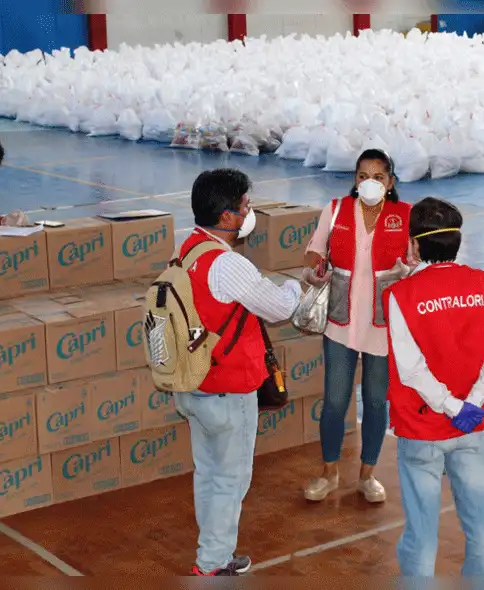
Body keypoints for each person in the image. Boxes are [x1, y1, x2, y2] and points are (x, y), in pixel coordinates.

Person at [175, 168, 303, 577]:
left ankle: (210, 550)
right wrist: (298, 287)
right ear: (229, 217)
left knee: (209, 473)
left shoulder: (189, 249)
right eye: (246, 205)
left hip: (195, 384)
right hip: (229, 391)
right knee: (231, 480)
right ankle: (211, 563)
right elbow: (279, 308)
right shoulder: (228, 265)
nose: (250, 212)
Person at [383, 197, 484, 576]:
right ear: (457, 241)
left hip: (423, 427)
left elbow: (411, 370)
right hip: (472, 425)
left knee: (422, 532)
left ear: (414, 245)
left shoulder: (401, 296)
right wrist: (471, 404)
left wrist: (450, 406)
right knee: (481, 527)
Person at [300, 149, 411, 504]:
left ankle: (368, 474)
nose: (370, 183)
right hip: (340, 323)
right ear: (354, 179)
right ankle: (329, 472)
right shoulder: (334, 211)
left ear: (391, 182)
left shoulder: (405, 216)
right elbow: (314, 251)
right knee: (334, 401)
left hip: (382, 326)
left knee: (377, 402)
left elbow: (416, 261)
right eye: (364, 175)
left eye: (379, 177)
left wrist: (407, 272)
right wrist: (315, 271)